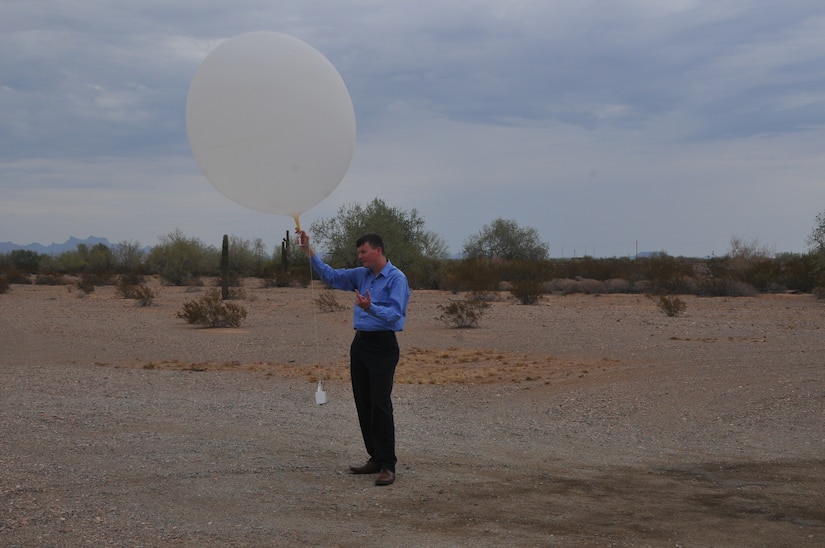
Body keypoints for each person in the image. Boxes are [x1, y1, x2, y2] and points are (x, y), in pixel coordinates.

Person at [297, 230, 410, 487]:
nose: (360, 257)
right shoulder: (361, 276)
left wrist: (371, 308)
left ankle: (387, 465)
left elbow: (396, 317)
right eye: (358, 253)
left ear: (378, 251)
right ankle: (374, 456)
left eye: (364, 252)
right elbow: (332, 276)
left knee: (380, 404)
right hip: (360, 344)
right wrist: (309, 251)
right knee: (364, 402)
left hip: (383, 345)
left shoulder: (396, 278)